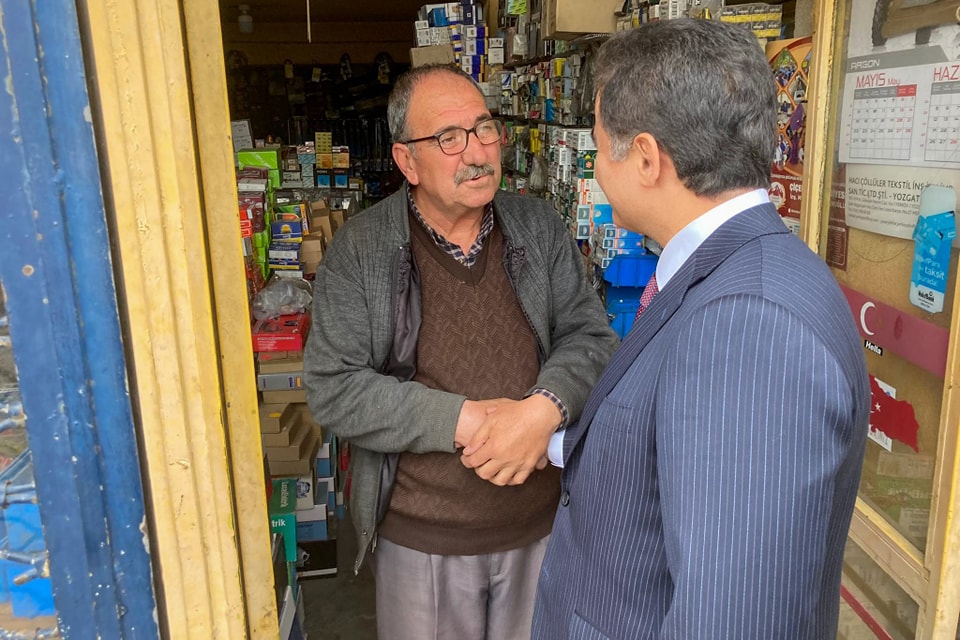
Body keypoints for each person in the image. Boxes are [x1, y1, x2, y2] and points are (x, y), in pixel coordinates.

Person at [532, 19, 870, 639]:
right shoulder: (729, 271)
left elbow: (734, 618)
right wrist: (556, 441)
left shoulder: (750, 325)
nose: (596, 168)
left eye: (599, 146)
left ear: (645, 158)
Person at [303, 63, 618, 640]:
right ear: (406, 161)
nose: (476, 152)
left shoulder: (538, 227)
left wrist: (541, 410)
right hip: (423, 538)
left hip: (542, 527)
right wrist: (466, 420)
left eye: (484, 128)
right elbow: (334, 386)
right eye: (448, 138)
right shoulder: (361, 250)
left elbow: (591, 337)